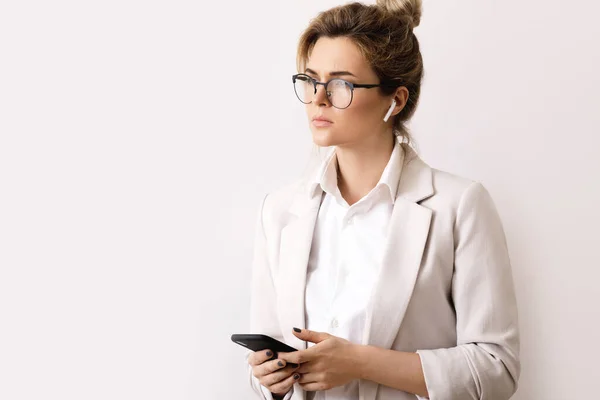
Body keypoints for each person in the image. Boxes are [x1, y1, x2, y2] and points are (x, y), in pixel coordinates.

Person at [244, 1, 520, 399]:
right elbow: (264, 364)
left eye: (341, 84)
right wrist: (267, 378)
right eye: (310, 80)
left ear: (396, 100)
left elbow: (497, 369)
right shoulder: (280, 210)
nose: (318, 98)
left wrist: (359, 362)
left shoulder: (459, 206)